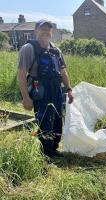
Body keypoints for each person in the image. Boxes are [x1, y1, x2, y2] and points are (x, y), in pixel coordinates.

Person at [18, 20, 74, 157]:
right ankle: (45, 154)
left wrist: (69, 89)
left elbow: (63, 72)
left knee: (57, 119)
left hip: (56, 89)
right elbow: (21, 74)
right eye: (42, 29)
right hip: (40, 90)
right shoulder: (29, 49)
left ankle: (54, 148)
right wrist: (26, 98)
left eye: (48, 29)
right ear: (36, 31)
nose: (45, 31)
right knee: (44, 121)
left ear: (52, 32)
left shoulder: (56, 50)